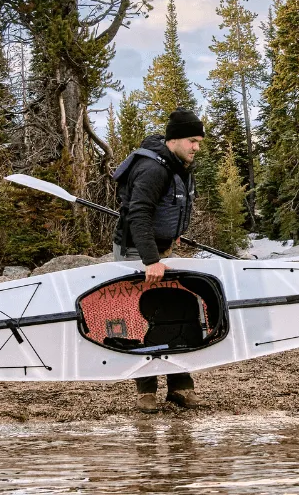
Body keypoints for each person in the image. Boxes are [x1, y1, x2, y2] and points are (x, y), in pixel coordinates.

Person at [112, 107, 204, 413]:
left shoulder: (177, 165)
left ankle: (179, 385)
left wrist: (173, 233)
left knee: (174, 310)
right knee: (143, 316)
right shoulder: (154, 169)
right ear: (174, 139)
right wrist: (150, 260)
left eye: (199, 141)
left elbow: (169, 206)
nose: (196, 147)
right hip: (139, 252)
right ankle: (146, 391)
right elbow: (138, 215)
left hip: (161, 248)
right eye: (192, 140)